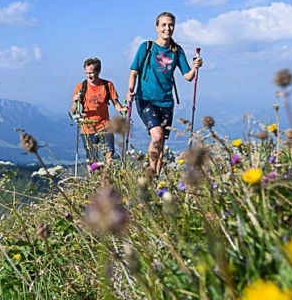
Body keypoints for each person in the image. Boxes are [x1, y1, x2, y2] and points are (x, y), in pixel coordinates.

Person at [128, 11, 203, 177]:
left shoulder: (176, 50)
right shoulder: (146, 47)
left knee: (161, 142)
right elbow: (134, 72)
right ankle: (149, 174)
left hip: (166, 102)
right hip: (145, 99)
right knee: (157, 135)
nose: (167, 28)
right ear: (157, 27)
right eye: (163, 25)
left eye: (170, 25)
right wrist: (130, 91)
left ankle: (155, 179)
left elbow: (188, 77)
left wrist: (195, 67)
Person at [71, 57, 126, 164]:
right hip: (87, 128)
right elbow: (74, 111)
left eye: (91, 73)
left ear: (98, 71)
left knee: (109, 152)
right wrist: (75, 100)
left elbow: (116, 103)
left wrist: (122, 110)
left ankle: (106, 177)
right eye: (87, 73)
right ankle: (95, 178)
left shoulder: (107, 85)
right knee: (92, 159)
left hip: (105, 125)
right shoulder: (81, 87)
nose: (88, 76)